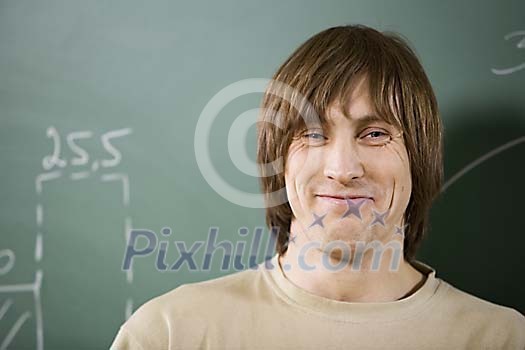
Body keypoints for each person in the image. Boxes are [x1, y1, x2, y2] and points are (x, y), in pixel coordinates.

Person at [111, 24, 525, 349]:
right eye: (311, 134)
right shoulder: (168, 334)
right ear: (279, 160)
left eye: (376, 134)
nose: (342, 169)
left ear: (420, 158)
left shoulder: (502, 339)